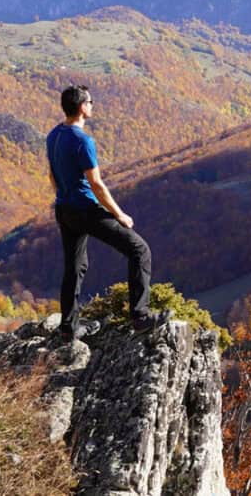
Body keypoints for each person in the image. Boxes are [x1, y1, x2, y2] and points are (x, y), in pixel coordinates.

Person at [47, 85, 163, 340]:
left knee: (74, 266)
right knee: (139, 250)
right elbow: (96, 184)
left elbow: (51, 174)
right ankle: (141, 317)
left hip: (64, 209)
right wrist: (119, 214)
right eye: (90, 102)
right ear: (81, 107)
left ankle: (68, 328)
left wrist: (62, 195)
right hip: (85, 209)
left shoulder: (54, 134)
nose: (92, 105)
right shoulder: (82, 141)